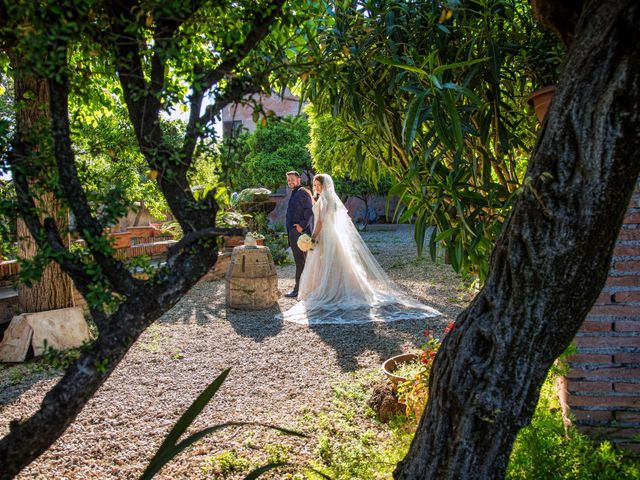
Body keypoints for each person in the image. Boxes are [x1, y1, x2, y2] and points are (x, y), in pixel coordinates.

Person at [279, 173, 440, 324]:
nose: (315, 187)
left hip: (325, 235)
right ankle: (341, 287)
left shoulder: (323, 200)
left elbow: (320, 222)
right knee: (337, 262)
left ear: (324, 185)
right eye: (314, 185)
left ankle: (331, 290)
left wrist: (313, 238)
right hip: (333, 235)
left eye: (317, 185)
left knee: (328, 263)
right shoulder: (330, 199)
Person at [284, 170, 314, 298]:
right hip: (294, 232)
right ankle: (304, 288)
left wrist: (301, 227)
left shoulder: (301, 192)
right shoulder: (295, 192)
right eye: (288, 180)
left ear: (298, 180)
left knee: (300, 261)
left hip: (299, 233)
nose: (290, 181)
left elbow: (309, 210)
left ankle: (298, 289)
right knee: (301, 261)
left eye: (292, 179)